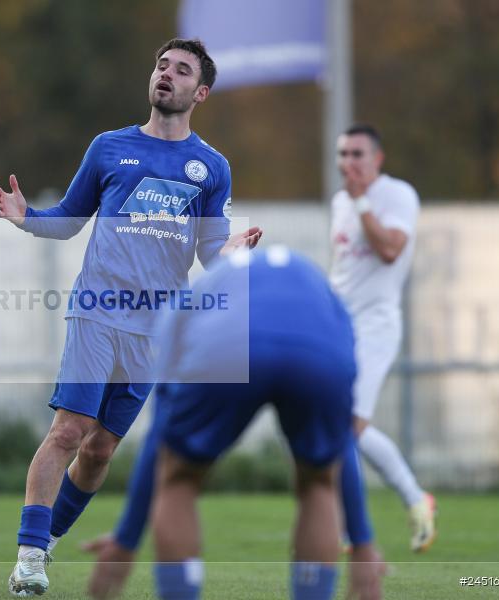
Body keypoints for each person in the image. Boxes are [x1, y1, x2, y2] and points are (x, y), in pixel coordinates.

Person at [0, 38, 261, 597]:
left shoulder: (211, 167)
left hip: (157, 328)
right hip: (98, 311)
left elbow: (209, 254)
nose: (166, 75)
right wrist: (27, 217)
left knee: (100, 450)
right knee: (69, 430)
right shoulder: (109, 147)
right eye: (161, 65)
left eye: (181, 70)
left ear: (200, 92)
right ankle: (30, 554)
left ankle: (47, 543)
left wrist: (232, 252)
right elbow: (67, 220)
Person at [145, 246, 380, 600]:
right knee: (318, 481)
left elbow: (160, 430)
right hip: (315, 349)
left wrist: (125, 538)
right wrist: (362, 542)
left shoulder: (193, 295)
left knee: (179, 477)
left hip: (225, 348)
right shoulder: (322, 291)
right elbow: (341, 433)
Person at [330, 124, 435, 552]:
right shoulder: (340, 201)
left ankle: (354, 527)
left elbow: (390, 250)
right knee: (332, 420)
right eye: (343, 154)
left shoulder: (397, 195)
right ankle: (411, 500)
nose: (348, 163)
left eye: (357, 154)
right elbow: (344, 267)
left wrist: (362, 203)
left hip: (376, 323)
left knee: (350, 424)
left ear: (378, 158)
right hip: (338, 321)